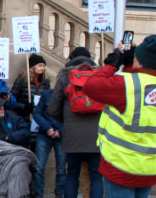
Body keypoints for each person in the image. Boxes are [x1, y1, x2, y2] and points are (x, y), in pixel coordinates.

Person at [83, 33, 156, 198]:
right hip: (149, 167)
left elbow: (90, 86)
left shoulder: (125, 84)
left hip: (121, 165)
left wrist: (113, 62)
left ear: (138, 60)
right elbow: (145, 81)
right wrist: (129, 63)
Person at [47, 47, 103, 198]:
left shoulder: (65, 76)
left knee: (71, 174)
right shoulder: (100, 76)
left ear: (71, 58)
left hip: (72, 135)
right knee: (96, 177)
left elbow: (52, 109)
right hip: (96, 136)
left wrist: (66, 119)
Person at [31, 89, 65, 198]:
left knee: (61, 169)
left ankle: (59, 194)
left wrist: (60, 131)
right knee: (39, 167)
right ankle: (39, 195)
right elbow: (37, 113)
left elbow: (72, 118)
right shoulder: (47, 94)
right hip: (44, 134)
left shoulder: (69, 96)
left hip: (61, 136)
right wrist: (47, 127)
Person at [11, 54, 51, 123]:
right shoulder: (22, 80)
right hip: (23, 119)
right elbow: (12, 101)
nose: (42, 68)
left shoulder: (45, 82)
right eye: (40, 65)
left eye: (43, 66)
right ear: (33, 66)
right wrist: (25, 107)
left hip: (40, 120)